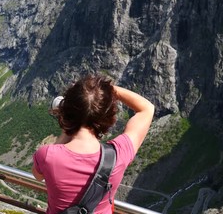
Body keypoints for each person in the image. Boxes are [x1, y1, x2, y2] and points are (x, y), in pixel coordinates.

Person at [32, 74, 155, 214]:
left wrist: (68, 129)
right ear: (108, 118)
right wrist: (105, 91)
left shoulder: (47, 155)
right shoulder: (119, 154)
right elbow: (147, 108)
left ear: (66, 113)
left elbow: (38, 175)